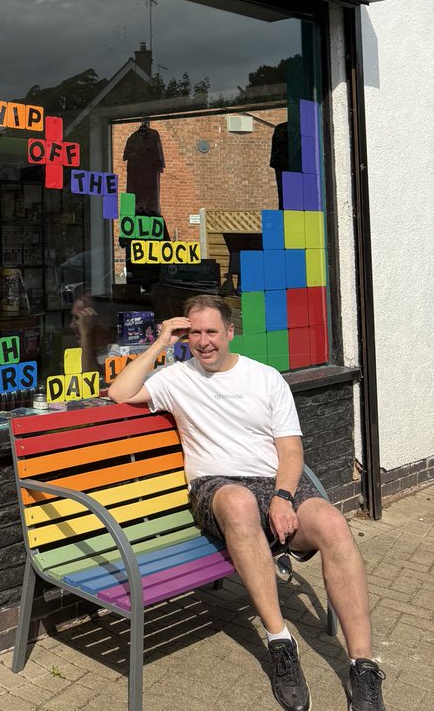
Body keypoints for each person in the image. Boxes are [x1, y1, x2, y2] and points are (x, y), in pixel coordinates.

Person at [108, 293, 386, 711]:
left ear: (230, 332)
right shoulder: (176, 378)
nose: (204, 342)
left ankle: (363, 666)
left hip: (274, 482)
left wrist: (283, 497)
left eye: (212, 332)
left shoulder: (265, 377)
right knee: (239, 505)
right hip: (215, 487)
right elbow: (119, 391)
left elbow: (291, 451)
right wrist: (162, 340)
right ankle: (280, 644)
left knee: (332, 523)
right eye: (195, 332)